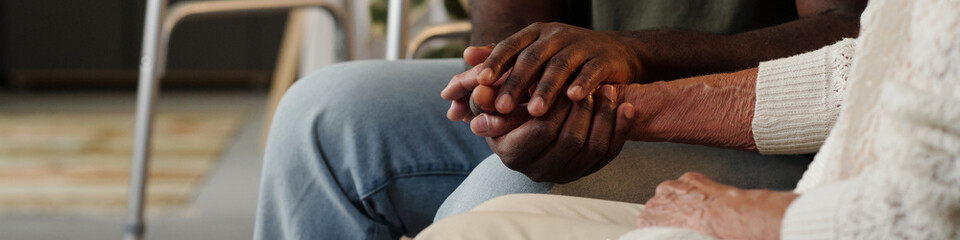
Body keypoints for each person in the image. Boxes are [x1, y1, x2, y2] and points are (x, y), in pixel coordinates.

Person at [254, 1, 865, 239]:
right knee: (323, 118)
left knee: (491, 207)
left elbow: (860, 35)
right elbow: (505, 29)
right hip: (596, 80)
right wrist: (512, 89)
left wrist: (639, 57)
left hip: (777, 121)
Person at [417, 0, 960, 238]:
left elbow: (921, 215)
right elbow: (864, 68)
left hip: (826, 186)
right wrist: (511, 82)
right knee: (356, 111)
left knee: (490, 204)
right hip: (620, 80)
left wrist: (741, 213)